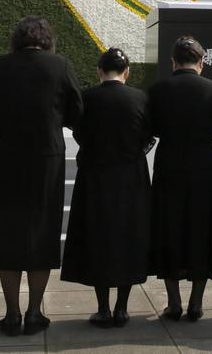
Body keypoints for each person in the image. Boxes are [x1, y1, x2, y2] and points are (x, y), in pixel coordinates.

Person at [0, 16, 83, 336]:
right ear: (48, 40)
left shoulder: (0, 67)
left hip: (8, 159)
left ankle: (11, 314)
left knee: (6, 233)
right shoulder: (60, 66)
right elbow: (78, 112)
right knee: (42, 233)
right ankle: (35, 312)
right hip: (47, 161)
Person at [61, 48, 152, 328]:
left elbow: (79, 132)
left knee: (97, 238)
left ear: (99, 71)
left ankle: (102, 308)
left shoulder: (87, 97)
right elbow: (148, 136)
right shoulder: (141, 98)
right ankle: (122, 308)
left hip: (95, 178)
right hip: (131, 178)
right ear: (126, 72)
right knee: (128, 238)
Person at [147, 36, 212, 320]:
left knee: (168, 229)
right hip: (203, 167)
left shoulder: (158, 89)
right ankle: (196, 302)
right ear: (202, 62)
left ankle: (174, 302)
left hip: (169, 165)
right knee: (201, 230)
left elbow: (153, 128)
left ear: (173, 62)